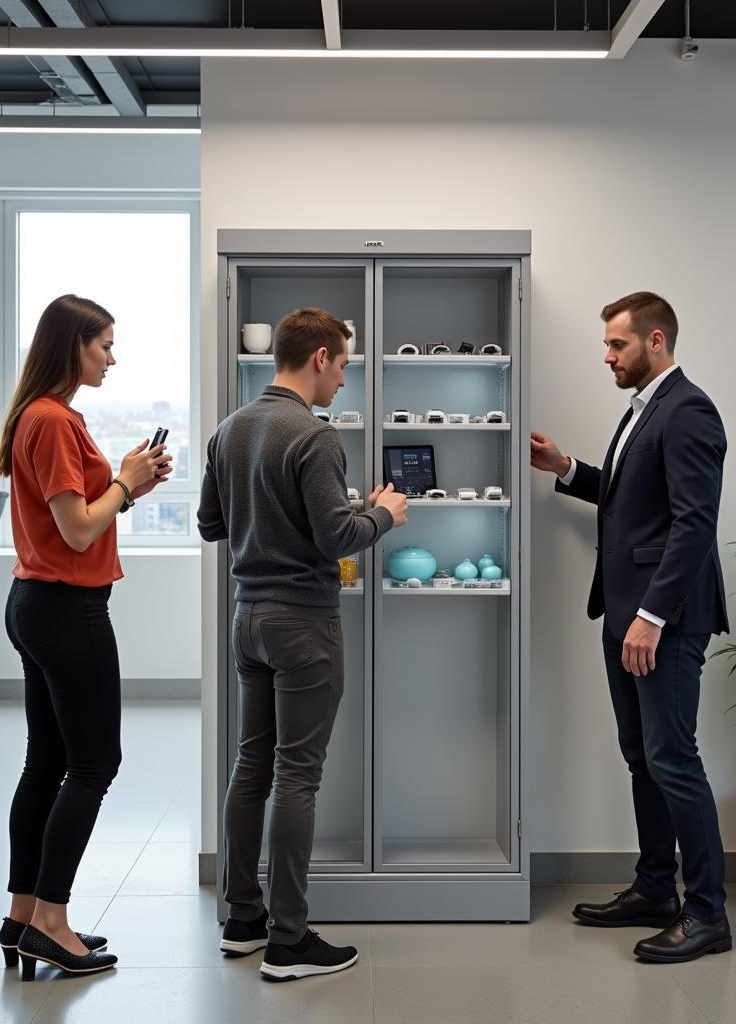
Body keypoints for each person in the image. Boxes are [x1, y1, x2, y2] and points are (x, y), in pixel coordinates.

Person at [198, 306, 407, 981]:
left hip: (247, 619)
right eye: (343, 364)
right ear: (318, 358)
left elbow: (210, 525)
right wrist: (384, 514)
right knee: (297, 775)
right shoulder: (315, 437)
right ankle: (289, 941)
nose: (344, 379)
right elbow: (336, 539)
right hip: (304, 625)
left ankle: (241, 919)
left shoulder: (228, 429)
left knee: (250, 766)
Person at [531, 291, 731, 964]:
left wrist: (650, 618)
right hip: (626, 617)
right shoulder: (643, 411)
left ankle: (707, 915)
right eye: (607, 346)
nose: (608, 357)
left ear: (655, 341)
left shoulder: (689, 410)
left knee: (674, 759)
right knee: (643, 756)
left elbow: (693, 525)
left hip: (661, 623)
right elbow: (630, 502)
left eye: (617, 345)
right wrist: (567, 470)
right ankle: (654, 887)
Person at [0, 294, 172, 979]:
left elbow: (79, 512)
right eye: (103, 345)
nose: (111, 357)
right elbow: (79, 529)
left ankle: (20, 916)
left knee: (47, 762)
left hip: (35, 601)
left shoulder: (40, 417)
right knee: (95, 764)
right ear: (72, 345)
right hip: (68, 609)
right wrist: (125, 486)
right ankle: (51, 922)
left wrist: (127, 481)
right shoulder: (54, 420)